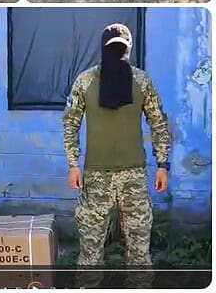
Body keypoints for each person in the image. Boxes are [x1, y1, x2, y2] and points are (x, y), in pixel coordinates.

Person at [63, 23, 171, 287]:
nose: (118, 53)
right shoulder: (86, 81)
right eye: (113, 49)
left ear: (129, 49)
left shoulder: (141, 81)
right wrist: (73, 164)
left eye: (122, 48)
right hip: (95, 177)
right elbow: (70, 123)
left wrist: (163, 164)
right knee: (90, 250)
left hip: (134, 177)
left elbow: (159, 123)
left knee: (139, 251)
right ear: (103, 49)